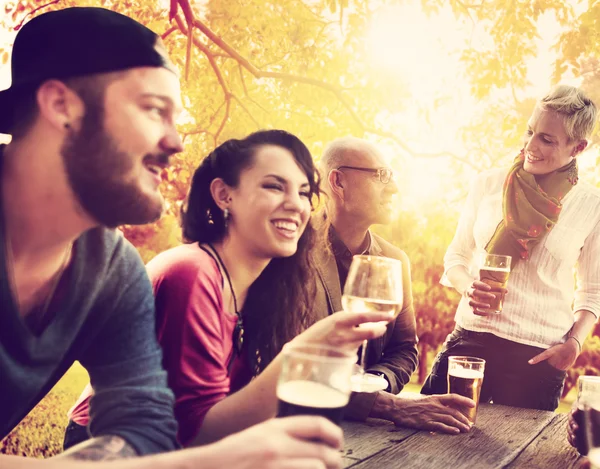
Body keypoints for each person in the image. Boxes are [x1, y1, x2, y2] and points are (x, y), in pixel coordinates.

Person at [0, 6, 370, 469]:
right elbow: (181, 441)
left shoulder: (112, 268)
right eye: (154, 110)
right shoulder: (187, 271)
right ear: (62, 107)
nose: (177, 142)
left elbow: (146, 429)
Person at [65, 130, 393, 448]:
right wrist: (303, 354)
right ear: (225, 195)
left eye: (304, 192)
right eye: (274, 186)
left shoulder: (269, 287)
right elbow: (196, 433)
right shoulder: (191, 273)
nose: (296, 205)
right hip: (111, 449)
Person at [421, 85, 600, 412]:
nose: (530, 146)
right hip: (470, 340)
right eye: (530, 131)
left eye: (547, 139)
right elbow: (456, 257)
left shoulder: (591, 205)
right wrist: (468, 287)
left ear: (578, 147)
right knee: (421, 442)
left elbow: (592, 291)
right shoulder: (488, 184)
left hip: (537, 358)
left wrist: (574, 343)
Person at [315, 136, 475, 434]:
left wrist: (374, 385)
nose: (394, 188)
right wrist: (388, 406)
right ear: (338, 182)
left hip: (366, 435)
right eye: (381, 176)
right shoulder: (289, 251)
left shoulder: (395, 260)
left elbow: (404, 349)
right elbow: (286, 360)